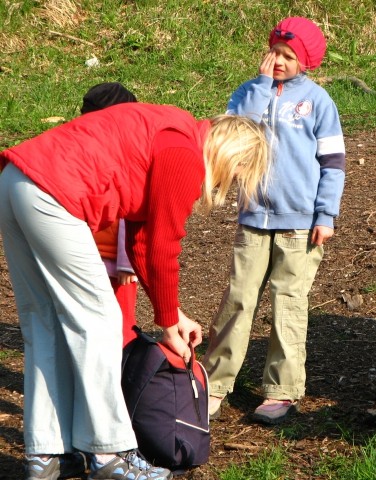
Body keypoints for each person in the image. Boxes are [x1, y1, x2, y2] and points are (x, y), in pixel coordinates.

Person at [0, 103, 269, 480]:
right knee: (103, 320)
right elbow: (163, 244)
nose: (235, 182)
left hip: (15, 180)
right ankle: (109, 454)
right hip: (53, 192)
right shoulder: (185, 155)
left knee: (44, 322)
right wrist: (169, 316)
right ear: (233, 154)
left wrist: (170, 317)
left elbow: (142, 242)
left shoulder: (172, 131)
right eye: (241, 172)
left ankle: (47, 454)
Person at [202, 16, 346, 425]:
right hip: (253, 217)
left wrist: (326, 214)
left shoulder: (318, 102)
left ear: (306, 60)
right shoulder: (249, 91)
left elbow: (333, 164)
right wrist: (261, 88)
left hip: (301, 223)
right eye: (274, 53)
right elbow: (231, 133)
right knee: (239, 299)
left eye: (288, 56)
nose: (278, 62)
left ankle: (282, 388)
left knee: (289, 302)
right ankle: (215, 382)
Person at [81, 82, 140, 347]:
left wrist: (128, 262)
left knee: (121, 323)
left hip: (118, 263)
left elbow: (133, 209)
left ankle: (120, 373)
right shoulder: (83, 154)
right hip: (86, 254)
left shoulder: (128, 157)